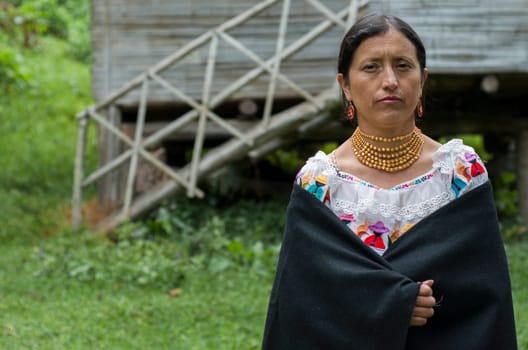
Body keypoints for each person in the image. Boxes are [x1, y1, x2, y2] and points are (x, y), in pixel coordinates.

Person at [261, 13, 517, 350]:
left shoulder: (461, 173)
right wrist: (394, 303)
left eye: (402, 66)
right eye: (371, 67)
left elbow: (485, 296)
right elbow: (301, 304)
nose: (390, 80)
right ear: (345, 85)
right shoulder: (319, 183)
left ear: (422, 80)